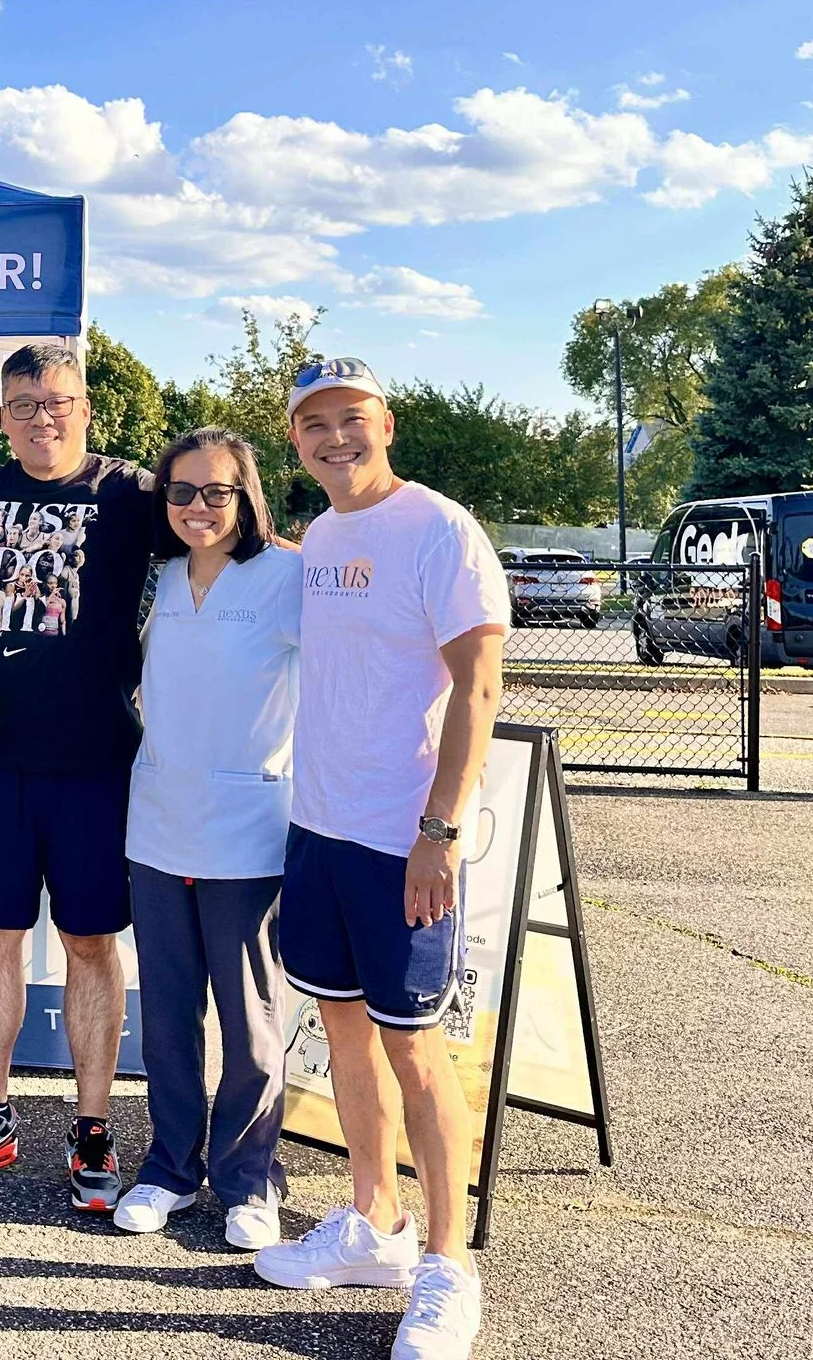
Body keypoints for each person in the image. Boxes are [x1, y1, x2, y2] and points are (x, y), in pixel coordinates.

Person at [251, 358, 509, 1360]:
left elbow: (479, 689)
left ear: (385, 423)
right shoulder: (321, 536)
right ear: (296, 441)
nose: (335, 439)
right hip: (318, 829)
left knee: (415, 1050)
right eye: (314, 426)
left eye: (350, 420)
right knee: (346, 1033)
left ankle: (448, 1266)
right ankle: (375, 1226)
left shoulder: (440, 529)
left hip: (402, 842)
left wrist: (437, 832)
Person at [0, 341, 154, 1211]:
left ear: (86, 407)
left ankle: (93, 1120)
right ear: (2, 414)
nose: (42, 416)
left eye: (58, 400)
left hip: (99, 763)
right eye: (24, 403)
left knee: (92, 942)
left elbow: (229, 532)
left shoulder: (130, 492)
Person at [112, 426, 300, 1253]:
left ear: (245, 495)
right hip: (158, 824)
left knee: (252, 1017)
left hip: (248, 828)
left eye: (216, 491)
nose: (197, 506)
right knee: (167, 1014)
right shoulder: (158, 577)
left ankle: (249, 1176)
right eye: (181, 491)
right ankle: (170, 1167)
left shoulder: (288, 575)